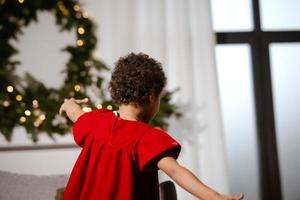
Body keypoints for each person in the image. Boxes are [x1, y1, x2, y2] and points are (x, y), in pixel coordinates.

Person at [59, 53, 244, 200]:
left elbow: (76, 113)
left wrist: (68, 104)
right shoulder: (147, 138)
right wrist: (214, 197)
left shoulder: (96, 122)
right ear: (151, 97)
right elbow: (175, 171)